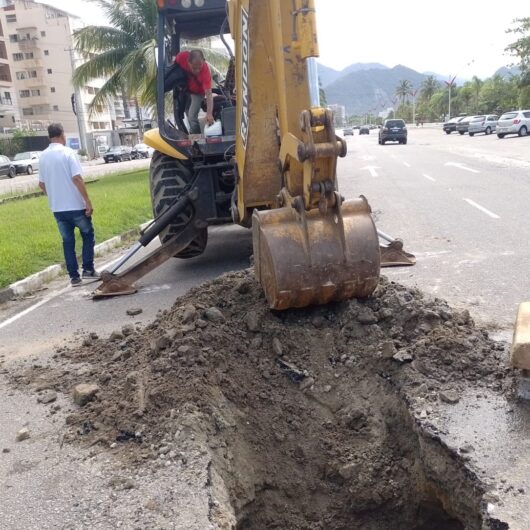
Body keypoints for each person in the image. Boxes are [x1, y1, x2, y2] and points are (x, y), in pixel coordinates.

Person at [38, 123, 98, 287]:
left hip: (58, 209)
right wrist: (87, 201)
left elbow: (41, 184)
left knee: (68, 242)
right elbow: (77, 178)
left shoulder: (42, 156)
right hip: (75, 206)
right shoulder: (68, 153)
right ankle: (88, 269)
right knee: (87, 235)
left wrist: (54, 196)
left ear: (49, 136)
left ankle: (74, 277)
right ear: (62, 135)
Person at [174, 49, 214, 134]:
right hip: (185, 90)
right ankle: (193, 132)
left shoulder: (205, 71)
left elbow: (209, 94)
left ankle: (197, 140)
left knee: (192, 116)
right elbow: (173, 64)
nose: (197, 71)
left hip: (198, 93)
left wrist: (209, 114)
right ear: (188, 62)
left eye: (200, 67)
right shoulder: (182, 57)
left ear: (203, 61)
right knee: (187, 114)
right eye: (194, 68)